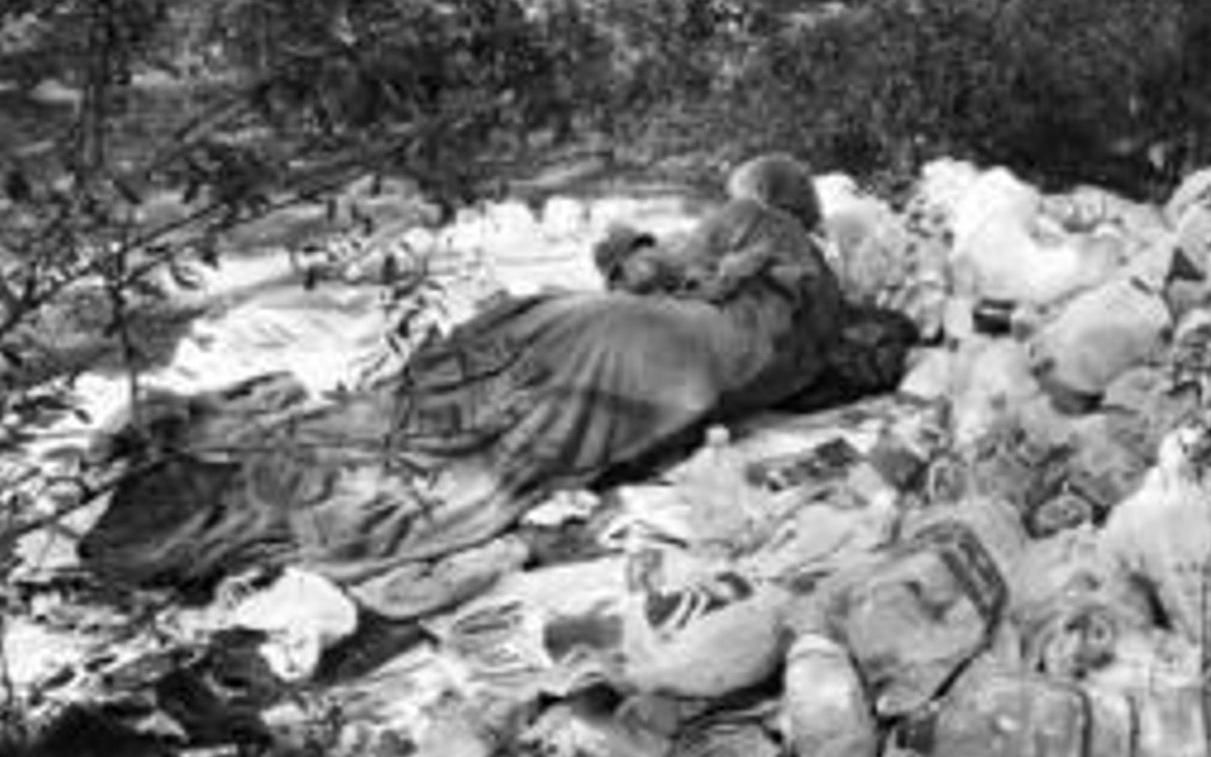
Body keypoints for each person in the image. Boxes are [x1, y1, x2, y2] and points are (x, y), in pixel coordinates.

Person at [81, 156, 847, 590]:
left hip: (632, 337)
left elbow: (651, 271)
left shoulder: (754, 222)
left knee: (464, 390)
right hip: (687, 380)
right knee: (499, 447)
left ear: (762, 199)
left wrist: (628, 245)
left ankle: (250, 460)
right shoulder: (828, 315)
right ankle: (286, 467)